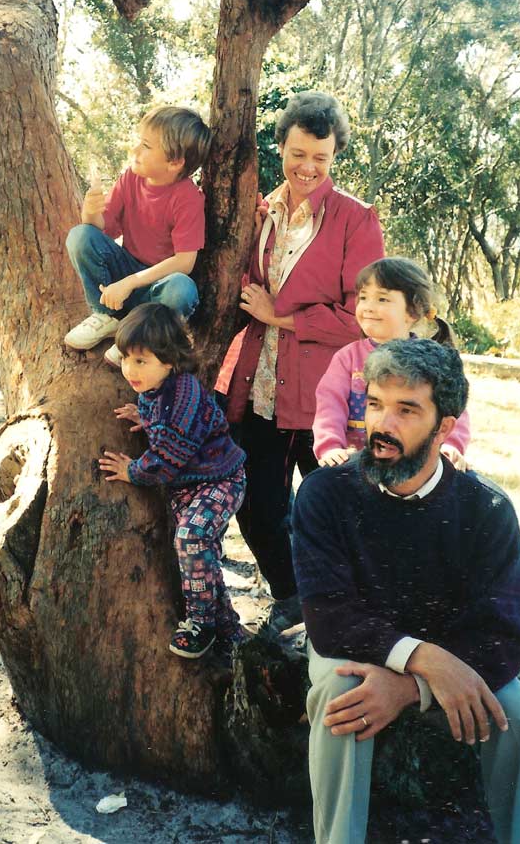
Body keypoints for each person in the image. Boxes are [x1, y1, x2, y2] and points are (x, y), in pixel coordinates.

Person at [292, 338, 520, 844]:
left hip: (452, 653)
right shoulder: (324, 492)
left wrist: (410, 684)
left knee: (519, 711)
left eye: (406, 410)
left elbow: (505, 633)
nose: (382, 426)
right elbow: (330, 619)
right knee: (342, 696)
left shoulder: (486, 509)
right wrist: (421, 660)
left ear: (445, 424)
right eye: (375, 404)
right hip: (354, 647)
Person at [220, 91, 385, 635]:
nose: (307, 167)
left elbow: (363, 315)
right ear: (281, 147)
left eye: (320, 156)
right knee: (258, 504)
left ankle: (358, 617)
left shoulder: (356, 220)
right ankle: (294, 598)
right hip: (260, 384)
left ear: (335, 155)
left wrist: (281, 316)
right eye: (297, 154)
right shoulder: (260, 212)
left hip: (330, 396)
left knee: (341, 512)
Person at [98, 303, 247, 660]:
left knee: (192, 538)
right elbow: (160, 418)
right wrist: (144, 417)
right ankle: (230, 630)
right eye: (125, 359)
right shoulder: (157, 388)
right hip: (189, 486)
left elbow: (167, 456)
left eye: (141, 361)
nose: (129, 370)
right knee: (202, 554)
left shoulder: (184, 394)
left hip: (220, 481)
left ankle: (200, 624)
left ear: (168, 360)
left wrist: (132, 471)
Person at [64, 105, 212, 366]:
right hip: (123, 278)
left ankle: (140, 337)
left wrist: (130, 283)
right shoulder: (131, 178)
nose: (135, 151)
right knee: (80, 235)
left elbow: (185, 262)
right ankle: (105, 316)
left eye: (146, 145)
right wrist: (90, 213)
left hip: (156, 289)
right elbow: (102, 230)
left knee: (182, 289)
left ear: (175, 162)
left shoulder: (188, 198)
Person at [313, 256, 470, 468]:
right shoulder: (347, 358)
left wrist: (450, 445)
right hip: (356, 465)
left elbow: (454, 409)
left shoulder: (430, 360)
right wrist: (331, 446)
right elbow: (329, 406)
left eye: (382, 299)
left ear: (413, 310)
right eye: (363, 297)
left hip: (412, 465)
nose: (367, 307)